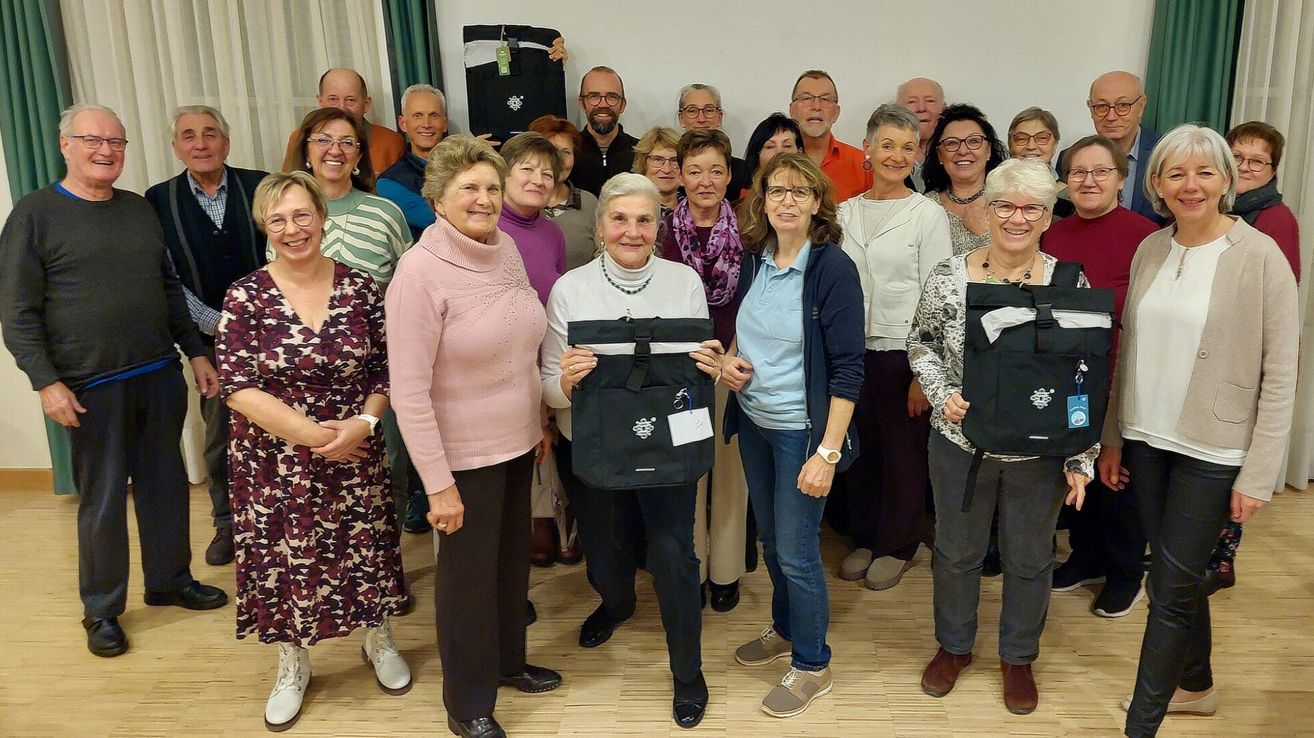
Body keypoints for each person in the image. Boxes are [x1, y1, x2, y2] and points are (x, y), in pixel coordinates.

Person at [0, 103, 228, 659]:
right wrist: (45, 381)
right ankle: (102, 609)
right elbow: (17, 310)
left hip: (157, 373)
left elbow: (168, 287)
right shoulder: (34, 215)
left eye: (117, 142)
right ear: (65, 145)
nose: (106, 151)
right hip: (87, 386)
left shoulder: (137, 209)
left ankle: (170, 579)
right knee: (102, 499)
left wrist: (195, 352)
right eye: (93, 140)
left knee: (166, 485)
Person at [1103, 125, 1298, 737]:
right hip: (1147, 435)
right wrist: (1113, 435)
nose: (1191, 185)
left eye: (1205, 172)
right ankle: (1197, 685)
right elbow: (1128, 349)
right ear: (1157, 184)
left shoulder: (1260, 255)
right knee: (1174, 570)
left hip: (1214, 446)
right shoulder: (1152, 249)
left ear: (1227, 180)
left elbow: (1282, 371)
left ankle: (1141, 725)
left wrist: (1260, 473)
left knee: (1166, 586)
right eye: (1176, 173)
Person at [218, 171, 409, 730]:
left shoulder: (360, 288)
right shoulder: (245, 296)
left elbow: (384, 369)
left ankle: (378, 637)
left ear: (323, 218)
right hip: (275, 460)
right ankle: (292, 659)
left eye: (302, 215)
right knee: (287, 558)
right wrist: (317, 436)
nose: (292, 228)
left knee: (366, 545)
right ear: (264, 227)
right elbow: (238, 386)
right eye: (278, 219)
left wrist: (365, 424)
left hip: (356, 448)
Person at [388, 136, 563, 738]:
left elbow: (521, 345)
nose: (485, 199)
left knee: (511, 568)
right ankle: (466, 705)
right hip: (461, 457)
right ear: (437, 199)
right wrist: (438, 486)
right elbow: (408, 392)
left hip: (518, 441)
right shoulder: (419, 272)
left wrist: (538, 421)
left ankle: (508, 664)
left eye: (492, 186)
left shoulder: (507, 248)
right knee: (466, 584)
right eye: (470, 189)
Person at [909, 158, 1096, 716]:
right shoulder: (949, 274)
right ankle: (954, 646)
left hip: (1037, 451)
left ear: (1046, 217)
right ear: (987, 211)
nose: (1017, 218)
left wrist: (1081, 455)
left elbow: (1084, 373)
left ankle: (1018, 656)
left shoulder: (1069, 282)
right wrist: (943, 391)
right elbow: (919, 342)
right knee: (957, 552)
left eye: (1031, 208)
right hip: (960, 443)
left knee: (1030, 557)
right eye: (1005, 205)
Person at [541, 173, 717, 729]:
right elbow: (546, 385)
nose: (632, 231)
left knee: (674, 555)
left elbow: (691, 374)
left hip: (669, 449)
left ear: (659, 228)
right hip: (592, 447)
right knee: (608, 553)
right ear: (599, 227)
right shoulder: (571, 289)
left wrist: (712, 370)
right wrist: (565, 382)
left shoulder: (684, 281)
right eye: (620, 219)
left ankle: (687, 669)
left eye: (644, 220)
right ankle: (616, 604)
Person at [725, 152, 865, 718]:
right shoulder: (756, 260)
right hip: (756, 422)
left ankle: (812, 664)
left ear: (816, 204)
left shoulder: (832, 269)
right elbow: (747, 336)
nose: (787, 200)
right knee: (771, 543)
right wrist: (732, 363)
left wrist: (827, 452)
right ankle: (785, 630)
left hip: (802, 433)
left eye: (799, 192)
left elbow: (849, 369)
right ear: (763, 200)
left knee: (799, 552)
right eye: (777, 190)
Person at [144, 104, 268, 567]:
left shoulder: (260, 186)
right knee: (222, 438)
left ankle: (278, 522)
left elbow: (285, 251)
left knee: (286, 430)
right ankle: (228, 525)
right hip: (209, 343)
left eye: (210, 133)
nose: (200, 143)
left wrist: (260, 321)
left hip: (276, 335)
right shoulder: (157, 200)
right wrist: (220, 327)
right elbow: (168, 278)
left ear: (226, 143)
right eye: (189, 135)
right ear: (176, 147)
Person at [1041, 135, 1158, 618]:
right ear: (1065, 182)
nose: (1088, 181)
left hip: (1125, 377)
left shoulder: (1147, 235)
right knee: (1077, 475)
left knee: (1120, 482)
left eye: (1100, 171)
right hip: (1069, 378)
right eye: (1078, 173)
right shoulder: (1053, 233)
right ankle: (1086, 558)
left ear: (1120, 177)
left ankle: (1126, 572)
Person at [835, 104, 951, 591]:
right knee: (860, 451)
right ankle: (865, 535)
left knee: (904, 454)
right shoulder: (842, 212)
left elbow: (940, 295)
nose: (897, 155)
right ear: (867, 148)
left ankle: (898, 544)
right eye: (887, 144)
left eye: (909, 147)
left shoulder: (927, 214)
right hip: (849, 353)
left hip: (903, 354)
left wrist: (926, 374)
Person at [1201, 121, 1304, 594]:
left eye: (1256, 161)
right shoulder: (1213, 207)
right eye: (1236, 156)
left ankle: (1221, 560)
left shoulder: (1275, 218)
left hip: (1242, 356)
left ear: (1272, 169)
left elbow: (1275, 300)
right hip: (1207, 351)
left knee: (1230, 466)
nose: (1244, 167)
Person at [658, 128, 751, 612]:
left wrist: (733, 355)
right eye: (694, 171)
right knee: (685, 470)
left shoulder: (752, 232)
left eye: (716, 170)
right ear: (679, 175)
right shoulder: (658, 232)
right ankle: (690, 567)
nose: (705, 181)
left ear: (729, 175)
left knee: (730, 468)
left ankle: (727, 570)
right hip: (678, 362)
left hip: (734, 358)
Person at [1058, 71, 1165, 224]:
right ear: (1090, 109)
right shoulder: (1070, 158)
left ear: (1141, 106)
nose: (1111, 117)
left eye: (1122, 106)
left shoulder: (1165, 154)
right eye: (1101, 107)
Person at [281, 68, 406, 174]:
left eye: (350, 100)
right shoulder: (300, 137)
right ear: (320, 101)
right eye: (333, 99)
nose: (341, 107)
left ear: (366, 104)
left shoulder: (391, 142)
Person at [922, 103, 1009, 256]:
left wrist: (984, 233)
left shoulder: (1010, 201)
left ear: (988, 150)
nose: (962, 151)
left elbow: (1026, 266)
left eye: (974, 141)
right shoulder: (924, 207)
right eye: (952, 143)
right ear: (940, 154)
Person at [377, 83, 449, 240]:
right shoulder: (389, 182)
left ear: (445, 123)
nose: (426, 124)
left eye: (434, 115)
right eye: (418, 115)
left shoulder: (465, 168)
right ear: (403, 123)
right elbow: (444, 221)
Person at [530, 114, 600, 271]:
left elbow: (602, 255)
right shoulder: (518, 203)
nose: (558, 160)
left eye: (566, 152)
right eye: (550, 151)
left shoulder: (589, 203)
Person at [787, 69, 871, 201]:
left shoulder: (862, 164)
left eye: (825, 99)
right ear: (792, 110)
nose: (816, 106)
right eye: (807, 98)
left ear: (836, 112)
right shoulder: (776, 159)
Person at [573, 66, 638, 195]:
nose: (603, 104)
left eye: (612, 97)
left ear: (622, 105)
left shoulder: (641, 151)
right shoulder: (568, 152)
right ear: (582, 103)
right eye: (594, 96)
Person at [676, 83, 749, 196]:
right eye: (692, 111)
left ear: (719, 117)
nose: (701, 119)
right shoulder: (669, 166)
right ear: (681, 118)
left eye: (709, 110)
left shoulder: (741, 170)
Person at [1008, 107, 1073, 218]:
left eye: (1042, 138)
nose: (1031, 146)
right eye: (1022, 138)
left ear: (1055, 144)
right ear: (1010, 145)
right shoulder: (995, 192)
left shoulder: (1071, 196)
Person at [739, 113, 803, 202]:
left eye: (787, 146)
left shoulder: (812, 194)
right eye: (770, 147)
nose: (780, 152)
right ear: (757, 155)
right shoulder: (742, 204)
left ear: (799, 153)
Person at [896, 77, 946, 191]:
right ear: (898, 110)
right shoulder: (886, 157)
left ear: (944, 108)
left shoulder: (955, 153)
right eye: (912, 102)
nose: (921, 108)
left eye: (930, 101)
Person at [633, 126, 684, 216]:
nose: (667, 169)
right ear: (643, 164)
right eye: (658, 160)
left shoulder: (697, 208)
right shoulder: (631, 209)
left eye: (674, 160)